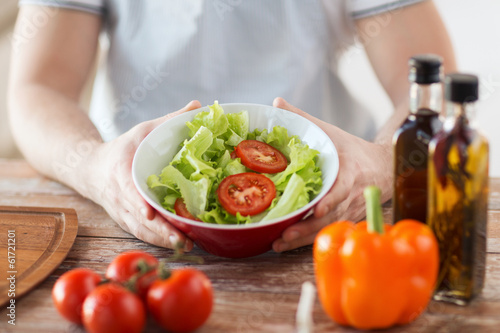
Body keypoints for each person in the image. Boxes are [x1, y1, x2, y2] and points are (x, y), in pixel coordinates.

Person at [8, 0, 456, 252]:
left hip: (334, 220)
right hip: (136, 217)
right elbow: (39, 88)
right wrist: (93, 166)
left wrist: (380, 165)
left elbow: (433, 89)